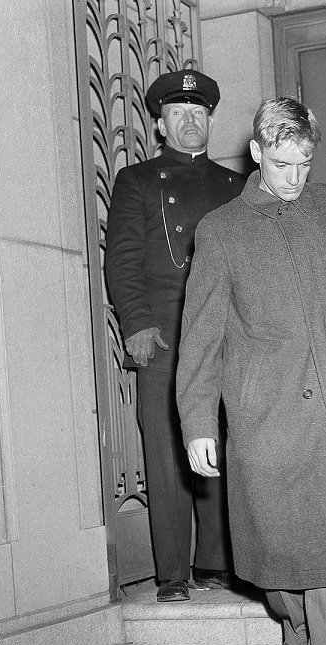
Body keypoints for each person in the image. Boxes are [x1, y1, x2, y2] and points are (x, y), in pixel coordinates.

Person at [178, 98, 326, 645]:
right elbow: (201, 334)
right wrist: (197, 419)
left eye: (306, 162)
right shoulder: (221, 229)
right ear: (258, 152)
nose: (296, 176)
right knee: (273, 565)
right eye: (284, 163)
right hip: (265, 415)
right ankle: (291, 627)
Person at [104, 67, 242, 603]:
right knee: (165, 451)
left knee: (221, 443)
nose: (191, 122)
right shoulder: (137, 181)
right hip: (164, 331)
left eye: (199, 113)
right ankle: (171, 572)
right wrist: (136, 323)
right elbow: (123, 259)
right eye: (179, 114)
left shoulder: (235, 186)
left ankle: (214, 559)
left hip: (225, 332)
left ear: (210, 120)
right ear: (160, 124)